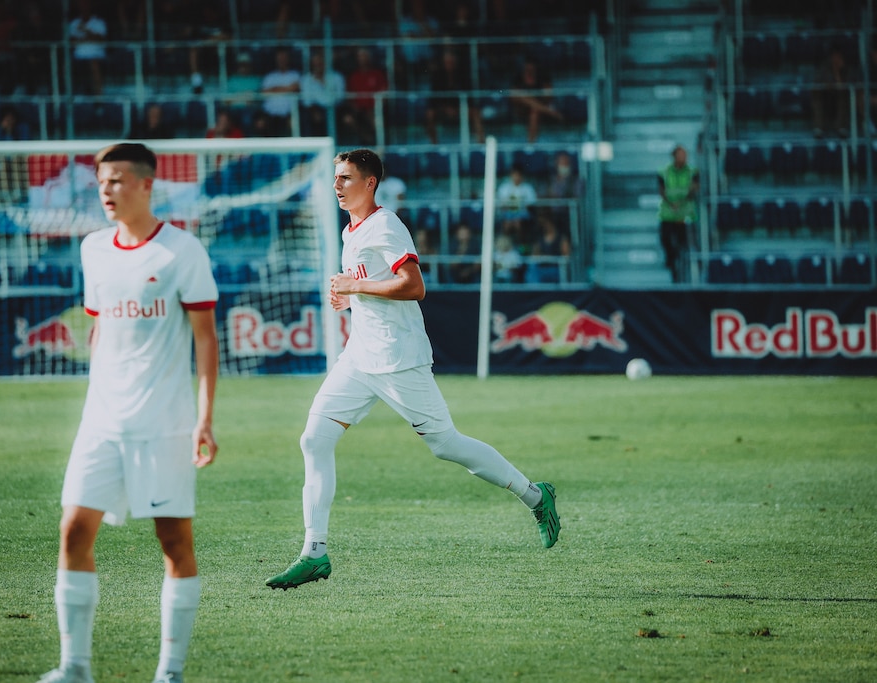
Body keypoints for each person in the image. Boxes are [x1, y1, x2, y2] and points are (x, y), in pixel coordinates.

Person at [265, 149, 559, 591]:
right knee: (313, 439)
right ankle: (315, 553)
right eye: (335, 178)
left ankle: (535, 495)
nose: (336, 186)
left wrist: (355, 285)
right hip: (359, 358)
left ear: (370, 183)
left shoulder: (386, 224)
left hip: (399, 360)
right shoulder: (352, 229)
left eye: (346, 178)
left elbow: (414, 286)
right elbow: (375, 288)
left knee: (446, 445)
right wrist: (354, 298)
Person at [36, 143, 220, 683]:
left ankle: (170, 672)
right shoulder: (94, 248)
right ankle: (74, 667)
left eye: (116, 181)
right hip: (101, 422)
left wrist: (204, 419)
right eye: (100, 183)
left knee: (174, 542)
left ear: (146, 185)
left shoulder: (182, 252)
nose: (105, 191)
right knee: (73, 531)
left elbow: (205, 340)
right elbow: (98, 328)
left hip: (164, 423)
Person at [423, 48, 485, 144]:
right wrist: (445, 108)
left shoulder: (463, 75)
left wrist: (458, 108)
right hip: (443, 108)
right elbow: (434, 99)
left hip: (460, 108)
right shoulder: (437, 76)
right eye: (447, 62)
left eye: (451, 61)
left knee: (476, 113)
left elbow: (469, 97)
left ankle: (481, 142)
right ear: (443, 62)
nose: (449, 64)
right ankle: (434, 144)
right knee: (429, 114)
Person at [657, 145, 698, 284]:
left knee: (684, 244)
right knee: (665, 239)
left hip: (685, 214)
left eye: (685, 155)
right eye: (681, 155)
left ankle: (685, 269)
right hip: (668, 213)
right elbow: (661, 189)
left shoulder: (692, 171)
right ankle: (671, 261)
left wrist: (681, 203)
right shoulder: (665, 172)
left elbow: (694, 189)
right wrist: (671, 203)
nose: (684, 158)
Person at [509, 58, 562, 143]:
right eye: (527, 70)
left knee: (534, 112)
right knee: (524, 98)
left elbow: (549, 96)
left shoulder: (542, 79)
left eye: (532, 70)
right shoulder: (518, 80)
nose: (529, 72)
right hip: (520, 111)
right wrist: (550, 111)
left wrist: (536, 103)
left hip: (540, 113)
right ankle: (550, 112)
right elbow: (515, 97)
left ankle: (531, 144)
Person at [343, 47, 388, 146]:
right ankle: (365, 137)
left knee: (376, 120)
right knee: (348, 119)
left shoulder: (377, 74)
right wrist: (355, 108)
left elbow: (384, 93)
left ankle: (379, 145)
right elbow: (349, 96)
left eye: (365, 56)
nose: (362, 59)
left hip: (374, 110)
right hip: (358, 110)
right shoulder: (354, 76)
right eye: (360, 56)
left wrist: (376, 108)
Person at [300, 51, 346, 138]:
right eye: (315, 64)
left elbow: (340, 97)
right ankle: (310, 147)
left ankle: (335, 145)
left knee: (335, 116)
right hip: (314, 108)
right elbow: (307, 101)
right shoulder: (306, 79)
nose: (318, 66)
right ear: (312, 65)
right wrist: (314, 111)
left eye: (320, 63)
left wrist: (324, 83)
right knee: (307, 117)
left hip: (335, 107)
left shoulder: (337, 77)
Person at [810, 46, 851, 138]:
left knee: (843, 97)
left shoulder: (845, 70)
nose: (836, 59)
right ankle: (819, 128)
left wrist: (837, 72)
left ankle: (841, 127)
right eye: (835, 56)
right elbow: (821, 84)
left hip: (839, 96)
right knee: (817, 97)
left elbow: (844, 87)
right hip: (825, 97)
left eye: (839, 57)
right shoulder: (824, 68)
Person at [68, 0, 107, 96]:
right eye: (81, 4)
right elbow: (71, 42)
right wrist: (89, 37)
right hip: (78, 57)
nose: (83, 6)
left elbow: (101, 40)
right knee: (65, 65)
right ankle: (70, 98)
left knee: (94, 65)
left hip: (96, 56)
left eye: (85, 3)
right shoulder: (74, 23)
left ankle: (98, 100)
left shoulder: (99, 22)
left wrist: (85, 31)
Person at [260, 47, 301, 136]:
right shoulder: (269, 76)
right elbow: (264, 93)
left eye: (284, 58)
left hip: (289, 114)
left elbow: (295, 88)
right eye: (279, 58)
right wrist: (287, 88)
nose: (282, 61)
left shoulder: (295, 74)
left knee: (295, 123)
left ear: (288, 59)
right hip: (270, 115)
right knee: (261, 123)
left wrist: (274, 89)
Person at [544, 151, 584, 235]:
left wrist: (560, 198)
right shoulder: (551, 180)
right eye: (562, 163)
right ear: (556, 164)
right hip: (551, 213)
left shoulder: (576, 180)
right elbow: (545, 194)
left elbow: (576, 197)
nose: (564, 165)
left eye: (566, 163)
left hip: (567, 213)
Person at [495, 164, 538, 242]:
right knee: (507, 224)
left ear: (522, 176)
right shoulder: (504, 188)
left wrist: (521, 204)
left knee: (518, 223)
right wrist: (508, 205)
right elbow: (501, 204)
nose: (516, 178)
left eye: (518, 175)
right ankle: (505, 246)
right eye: (514, 175)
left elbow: (531, 204)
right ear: (511, 175)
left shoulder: (528, 188)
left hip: (523, 214)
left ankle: (523, 246)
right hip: (508, 214)